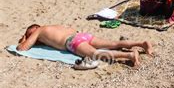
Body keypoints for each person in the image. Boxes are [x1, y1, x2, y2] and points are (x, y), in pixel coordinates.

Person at [16, 24, 151, 68]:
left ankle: (130, 55)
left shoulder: (39, 31)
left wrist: (24, 39)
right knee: (113, 43)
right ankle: (141, 43)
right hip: (82, 35)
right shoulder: (54, 26)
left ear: (34, 28)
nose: (30, 37)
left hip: (72, 42)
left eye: (29, 33)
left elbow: (22, 48)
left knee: (96, 54)